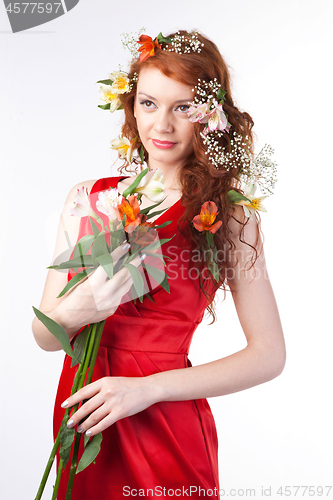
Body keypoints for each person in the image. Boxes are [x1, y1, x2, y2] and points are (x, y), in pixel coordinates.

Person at [32, 30, 286, 499]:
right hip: (85, 414)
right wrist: (79, 308)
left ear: (211, 116)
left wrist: (145, 390)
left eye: (183, 107)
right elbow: (46, 336)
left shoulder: (227, 215)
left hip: (164, 422)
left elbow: (269, 355)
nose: (162, 126)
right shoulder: (90, 199)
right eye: (148, 103)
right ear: (131, 106)